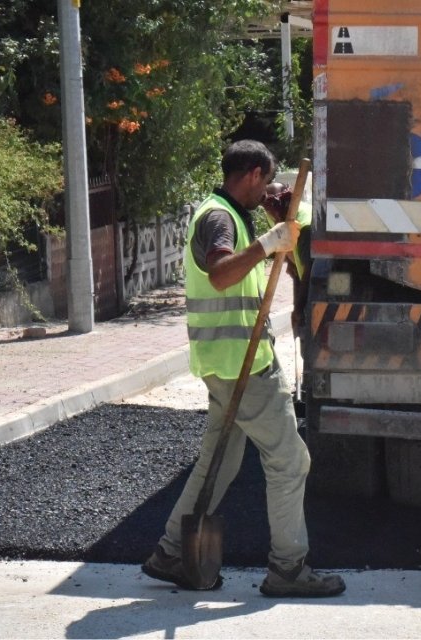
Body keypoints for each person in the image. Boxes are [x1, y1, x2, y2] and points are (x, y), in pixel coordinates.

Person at [141, 140, 345, 598]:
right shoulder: (219, 218)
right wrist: (267, 243)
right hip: (245, 367)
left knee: (220, 457)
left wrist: (276, 232)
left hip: (226, 363)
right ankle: (288, 569)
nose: (269, 189)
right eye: (267, 180)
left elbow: (285, 271)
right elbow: (221, 273)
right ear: (252, 173)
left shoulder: (233, 215)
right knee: (290, 462)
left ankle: (173, 552)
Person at [259, 181, 313, 335]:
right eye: (268, 208)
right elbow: (295, 269)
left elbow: (308, 272)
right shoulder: (275, 212)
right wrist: (296, 307)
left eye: (278, 205)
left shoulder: (304, 224)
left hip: (315, 280)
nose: (273, 213)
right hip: (303, 271)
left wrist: (299, 307)